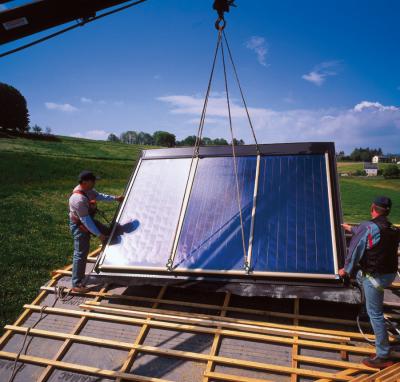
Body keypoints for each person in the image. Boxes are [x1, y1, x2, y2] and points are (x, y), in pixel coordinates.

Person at [340, 196, 400, 369]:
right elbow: (371, 235)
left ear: (372, 207)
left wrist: (345, 270)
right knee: (360, 277)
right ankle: (366, 309)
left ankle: (382, 355)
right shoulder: (392, 228)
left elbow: (355, 250)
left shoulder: (368, 226)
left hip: (375, 277)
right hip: (388, 276)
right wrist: (352, 228)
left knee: (376, 314)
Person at [69, 170, 124, 292]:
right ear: (85, 182)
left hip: (88, 221)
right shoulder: (77, 199)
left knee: (110, 234)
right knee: (80, 253)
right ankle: (77, 284)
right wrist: (99, 235)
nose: (95, 182)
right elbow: (86, 221)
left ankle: (110, 262)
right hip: (79, 226)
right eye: (93, 180)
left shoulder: (88, 190)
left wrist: (115, 198)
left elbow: (99, 196)